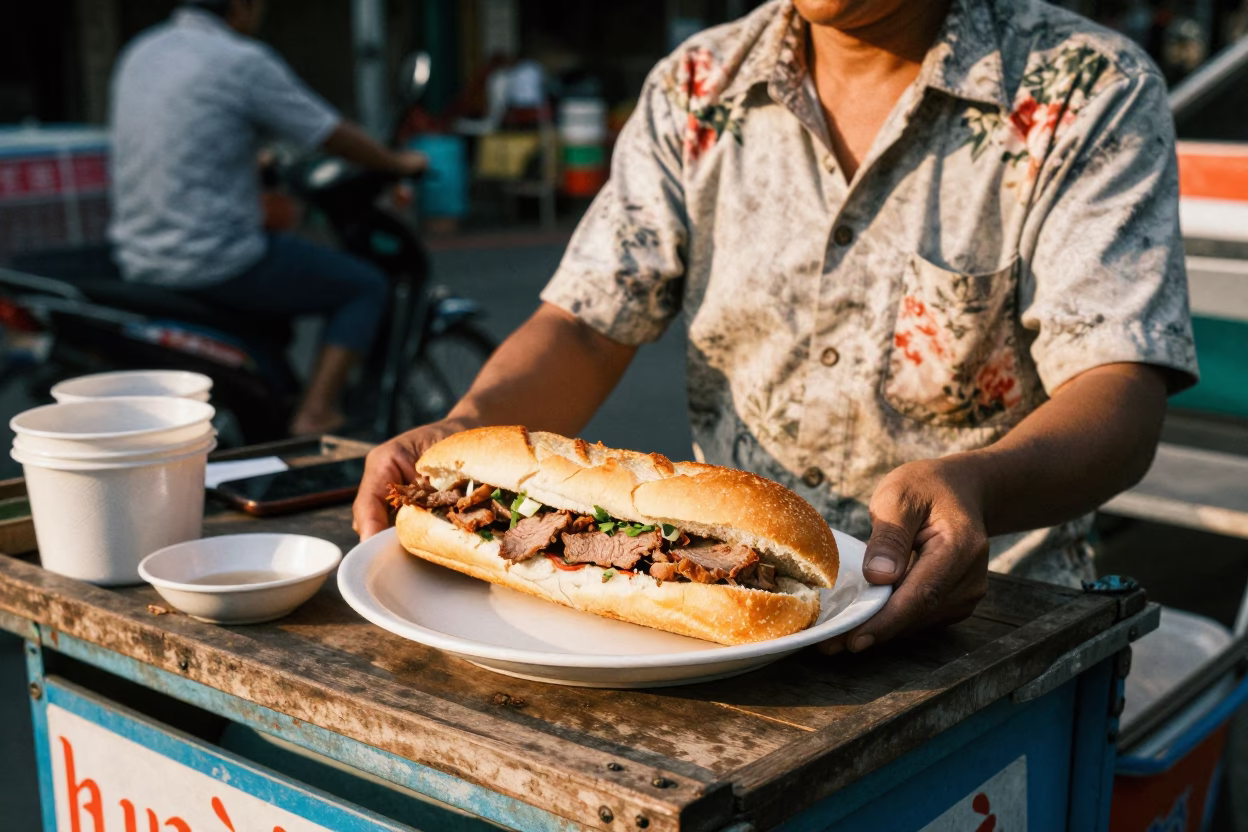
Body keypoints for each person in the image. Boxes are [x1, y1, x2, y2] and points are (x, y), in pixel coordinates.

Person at [354, 0, 1199, 654]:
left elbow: (1120, 388)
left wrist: (981, 484)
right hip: (716, 623)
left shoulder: (1087, 86)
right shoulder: (695, 85)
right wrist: (462, 435)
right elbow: (585, 324)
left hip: (995, 614)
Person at [109, 0, 426, 436]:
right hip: (211, 256)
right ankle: (316, 413)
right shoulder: (240, 61)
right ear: (241, 7)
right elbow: (326, 131)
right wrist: (394, 162)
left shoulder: (143, 50)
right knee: (365, 285)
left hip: (139, 252)